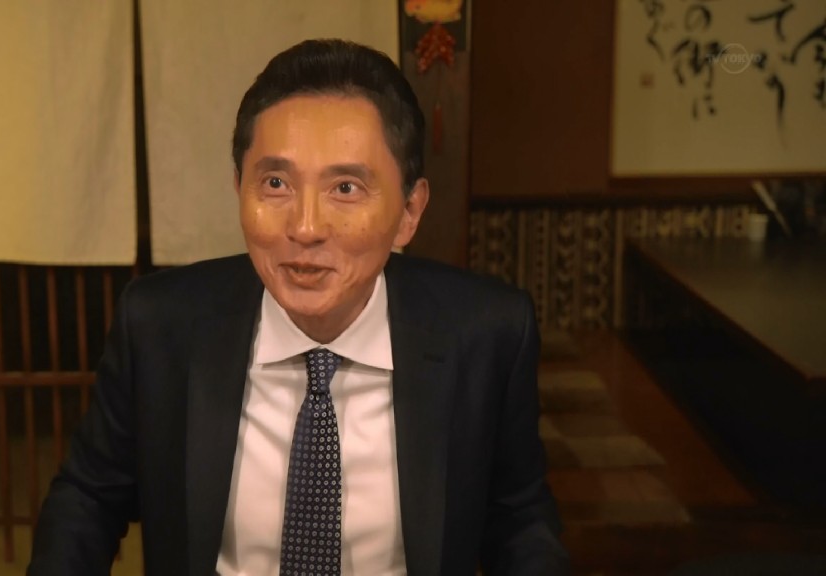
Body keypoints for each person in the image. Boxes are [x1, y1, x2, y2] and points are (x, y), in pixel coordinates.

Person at [28, 39, 567, 576]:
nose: (305, 228)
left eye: (346, 187)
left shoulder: (487, 333)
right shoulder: (159, 325)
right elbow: (89, 498)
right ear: (238, 188)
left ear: (409, 211)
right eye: (276, 183)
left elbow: (519, 520)